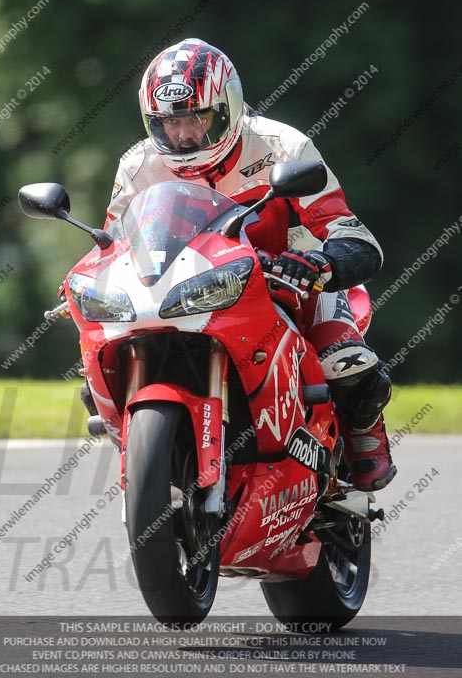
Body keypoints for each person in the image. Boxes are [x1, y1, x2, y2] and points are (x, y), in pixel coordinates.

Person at [103, 38, 396, 492]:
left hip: (290, 280)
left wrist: (321, 263)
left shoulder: (283, 145)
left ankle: (363, 434)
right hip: (186, 291)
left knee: (348, 364)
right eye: (169, 123)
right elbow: (114, 246)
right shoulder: (138, 165)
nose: (183, 136)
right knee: (102, 363)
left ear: (228, 108)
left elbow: (349, 232)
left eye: (196, 119)